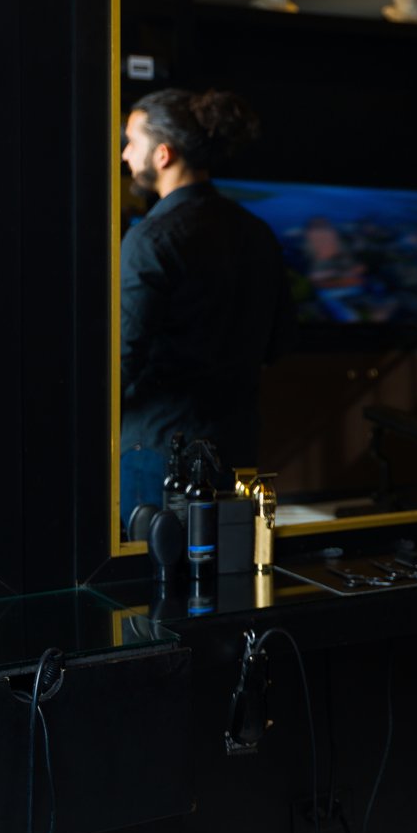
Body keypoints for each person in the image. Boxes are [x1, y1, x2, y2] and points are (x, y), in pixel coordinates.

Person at [120, 88, 296, 524]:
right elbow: (279, 343)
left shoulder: (151, 239)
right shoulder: (257, 232)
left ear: (163, 154)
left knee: (152, 578)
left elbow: (124, 356)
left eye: (131, 142)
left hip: (160, 452)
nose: (125, 155)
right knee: (227, 574)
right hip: (237, 445)